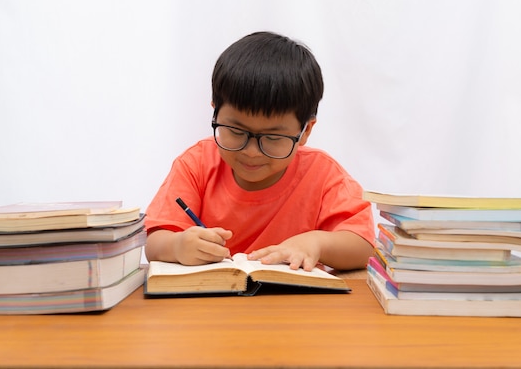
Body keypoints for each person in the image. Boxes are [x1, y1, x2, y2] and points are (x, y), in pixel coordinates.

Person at [144, 31, 374, 271]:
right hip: (211, 305)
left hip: (296, 308)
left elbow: (363, 246)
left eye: (273, 137)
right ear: (215, 113)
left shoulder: (323, 174)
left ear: (305, 131)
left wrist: (317, 243)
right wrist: (178, 246)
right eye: (236, 131)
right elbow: (154, 243)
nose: (252, 152)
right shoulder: (196, 164)